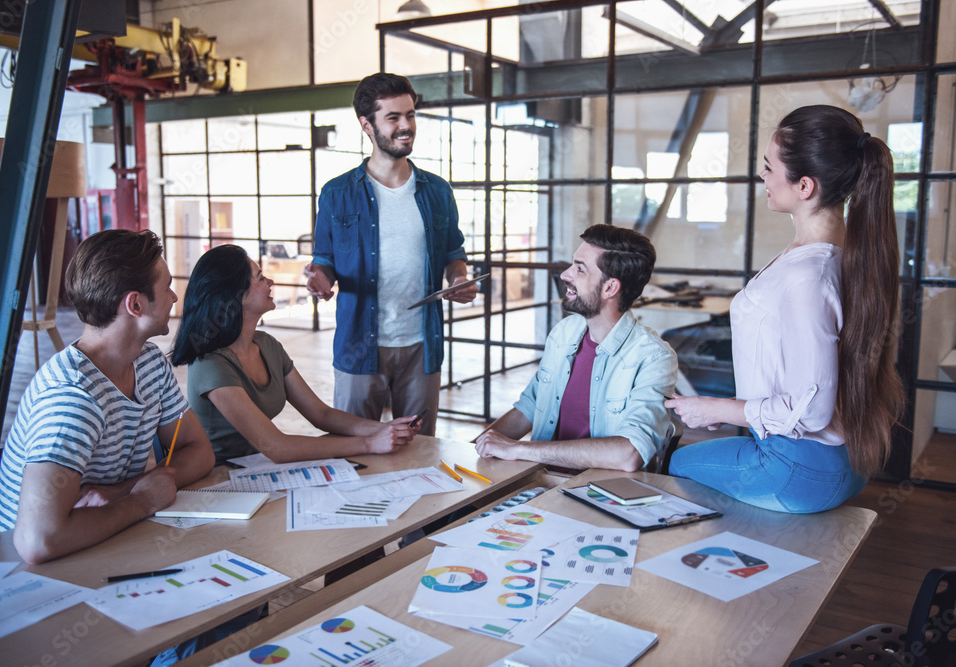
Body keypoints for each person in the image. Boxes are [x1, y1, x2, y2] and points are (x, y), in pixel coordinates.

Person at [665, 104, 905, 513]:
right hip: (843, 462)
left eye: (769, 167)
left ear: (805, 186)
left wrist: (716, 408)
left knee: (677, 462)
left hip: (800, 469)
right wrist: (737, 413)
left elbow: (811, 410)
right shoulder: (841, 255)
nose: (763, 176)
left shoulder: (808, 275)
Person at [0, 230, 214, 564]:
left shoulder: (150, 362)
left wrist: (123, 491)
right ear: (135, 304)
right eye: (166, 286)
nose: (174, 297)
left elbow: (199, 452)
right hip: (25, 576)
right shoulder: (72, 396)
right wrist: (142, 501)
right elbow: (37, 541)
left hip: (101, 539)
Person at [305, 72, 478, 437]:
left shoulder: (437, 191)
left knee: (419, 448)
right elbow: (325, 259)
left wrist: (459, 277)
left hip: (421, 345)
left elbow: (452, 251)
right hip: (358, 345)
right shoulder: (336, 193)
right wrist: (319, 278)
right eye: (394, 118)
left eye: (410, 115)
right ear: (366, 124)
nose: (406, 127)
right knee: (354, 447)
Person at [170, 244, 420, 465]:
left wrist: (385, 429)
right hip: (219, 481)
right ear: (236, 295)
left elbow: (321, 414)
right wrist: (368, 443)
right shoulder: (211, 364)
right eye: (259, 278)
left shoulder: (267, 345)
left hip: (258, 470)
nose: (270, 282)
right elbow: (276, 447)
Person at [475, 224, 677, 472]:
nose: (565, 275)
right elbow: (528, 408)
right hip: (539, 482)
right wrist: (471, 450)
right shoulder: (564, 332)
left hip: (598, 495)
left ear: (610, 288)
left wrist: (518, 450)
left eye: (579, 269)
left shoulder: (653, 357)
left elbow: (629, 453)